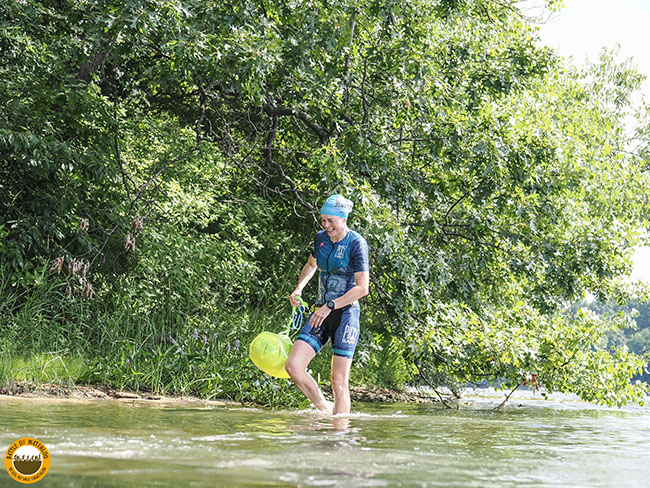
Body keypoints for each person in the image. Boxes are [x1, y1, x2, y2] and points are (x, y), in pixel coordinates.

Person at [285, 194, 370, 415]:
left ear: (344, 219)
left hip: (346, 315)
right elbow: (311, 264)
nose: (326, 225)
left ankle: (340, 430)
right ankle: (323, 407)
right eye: (323, 220)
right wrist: (299, 288)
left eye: (331, 220)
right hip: (320, 313)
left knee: (338, 381)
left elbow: (362, 288)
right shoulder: (320, 239)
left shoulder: (356, 243)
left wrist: (330, 305)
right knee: (293, 366)